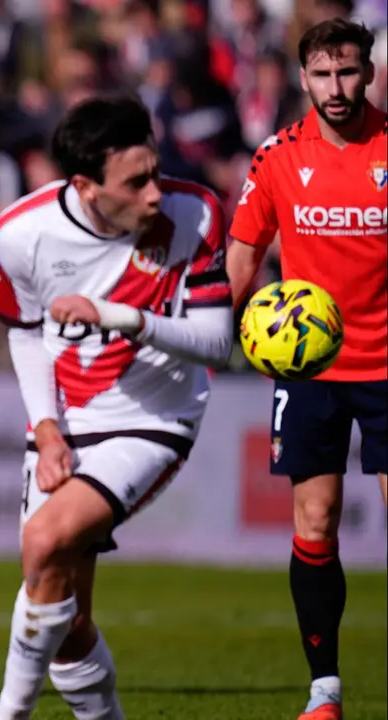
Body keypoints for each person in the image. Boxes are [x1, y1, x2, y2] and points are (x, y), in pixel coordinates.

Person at [0, 95, 235, 720]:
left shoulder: (195, 212)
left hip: (154, 419)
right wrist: (46, 431)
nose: (155, 193)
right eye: (136, 181)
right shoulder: (21, 233)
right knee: (69, 620)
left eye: (155, 171)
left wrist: (121, 317)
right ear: (86, 187)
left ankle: (7, 714)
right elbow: (24, 332)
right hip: (68, 419)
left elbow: (217, 342)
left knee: (42, 542)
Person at [226, 18, 387, 720]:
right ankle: (323, 690)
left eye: (347, 72)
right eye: (321, 75)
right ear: (302, 80)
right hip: (308, 370)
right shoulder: (276, 157)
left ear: (369, 73)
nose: (335, 88)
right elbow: (241, 252)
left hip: (387, 366)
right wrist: (212, 337)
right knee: (314, 519)